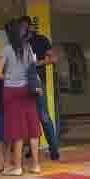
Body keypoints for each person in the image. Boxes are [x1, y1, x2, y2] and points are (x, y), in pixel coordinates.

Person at [0, 19, 41, 176]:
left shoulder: (6, 49)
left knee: (17, 130)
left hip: (11, 92)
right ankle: (36, 165)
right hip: (28, 91)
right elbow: (33, 69)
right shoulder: (28, 48)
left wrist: (10, 77)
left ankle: (17, 167)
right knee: (33, 129)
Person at [20, 15, 60, 161]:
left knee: (43, 116)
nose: (22, 30)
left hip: (38, 83)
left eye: (24, 27)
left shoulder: (41, 40)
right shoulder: (19, 42)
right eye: (21, 27)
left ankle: (54, 149)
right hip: (22, 84)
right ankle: (32, 149)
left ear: (30, 26)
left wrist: (37, 63)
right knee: (28, 118)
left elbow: (54, 58)